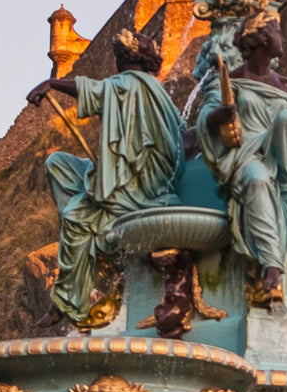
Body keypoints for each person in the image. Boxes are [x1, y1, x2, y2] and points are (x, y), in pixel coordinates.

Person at [27, 30, 184, 327]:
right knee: (58, 163)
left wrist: (52, 83)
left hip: (137, 187)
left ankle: (69, 302)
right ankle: (93, 216)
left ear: (124, 60)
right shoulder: (160, 92)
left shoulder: (128, 83)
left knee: (75, 218)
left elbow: (94, 91)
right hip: (124, 177)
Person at [196, 13, 287, 302]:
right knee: (256, 180)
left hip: (283, 159)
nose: (283, 40)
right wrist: (220, 115)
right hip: (247, 155)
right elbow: (204, 117)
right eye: (278, 33)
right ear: (262, 40)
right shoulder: (232, 80)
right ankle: (272, 263)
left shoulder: (286, 85)